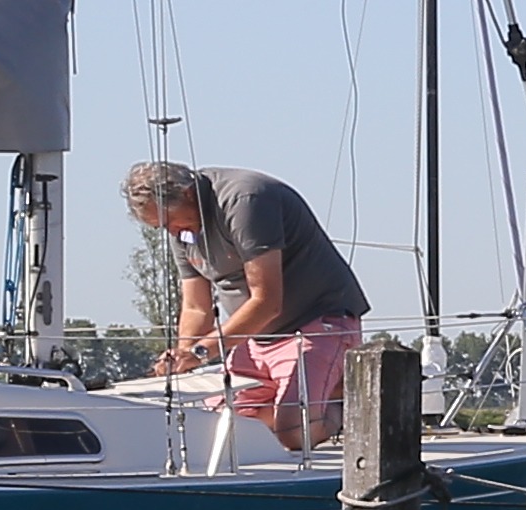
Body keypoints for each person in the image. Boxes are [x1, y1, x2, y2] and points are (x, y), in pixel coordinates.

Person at [122, 161, 373, 449]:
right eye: (161, 227)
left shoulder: (245, 201)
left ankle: (343, 401)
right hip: (252, 339)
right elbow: (196, 307)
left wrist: (201, 351)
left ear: (188, 194)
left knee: (293, 432)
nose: (172, 233)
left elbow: (267, 302)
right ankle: (313, 392)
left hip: (315, 324)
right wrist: (182, 355)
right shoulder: (184, 231)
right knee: (216, 427)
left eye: (170, 221)